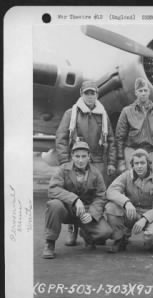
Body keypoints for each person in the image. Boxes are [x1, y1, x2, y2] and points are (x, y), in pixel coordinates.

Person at [55, 80, 116, 246]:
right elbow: (61, 139)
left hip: (97, 160)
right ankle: (73, 229)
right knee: (75, 195)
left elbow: (110, 139)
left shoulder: (103, 114)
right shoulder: (71, 113)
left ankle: (91, 229)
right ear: (81, 94)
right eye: (87, 93)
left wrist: (111, 162)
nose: (90, 96)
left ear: (97, 95)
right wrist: (64, 162)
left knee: (97, 196)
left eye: (93, 93)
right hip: (76, 160)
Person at [42, 141, 112, 259]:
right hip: (66, 209)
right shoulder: (63, 170)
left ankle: (86, 234)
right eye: (77, 156)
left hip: (85, 212)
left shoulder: (96, 173)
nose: (80, 160)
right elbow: (53, 189)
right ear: (72, 157)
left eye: (84, 156)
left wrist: (92, 214)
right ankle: (50, 243)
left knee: (105, 232)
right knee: (54, 205)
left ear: (89, 157)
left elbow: (101, 196)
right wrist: (74, 199)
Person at [104, 149, 153, 253]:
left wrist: (145, 219)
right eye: (136, 163)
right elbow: (111, 191)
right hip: (131, 212)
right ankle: (120, 239)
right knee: (110, 207)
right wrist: (126, 203)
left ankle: (149, 241)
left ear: (148, 164)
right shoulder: (126, 176)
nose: (139, 166)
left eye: (142, 163)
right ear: (132, 165)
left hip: (149, 215)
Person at [115, 77, 153, 177]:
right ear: (136, 93)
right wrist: (121, 160)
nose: (143, 93)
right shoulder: (126, 111)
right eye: (140, 91)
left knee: (152, 182)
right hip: (132, 150)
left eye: (145, 90)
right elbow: (119, 138)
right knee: (131, 181)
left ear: (149, 92)